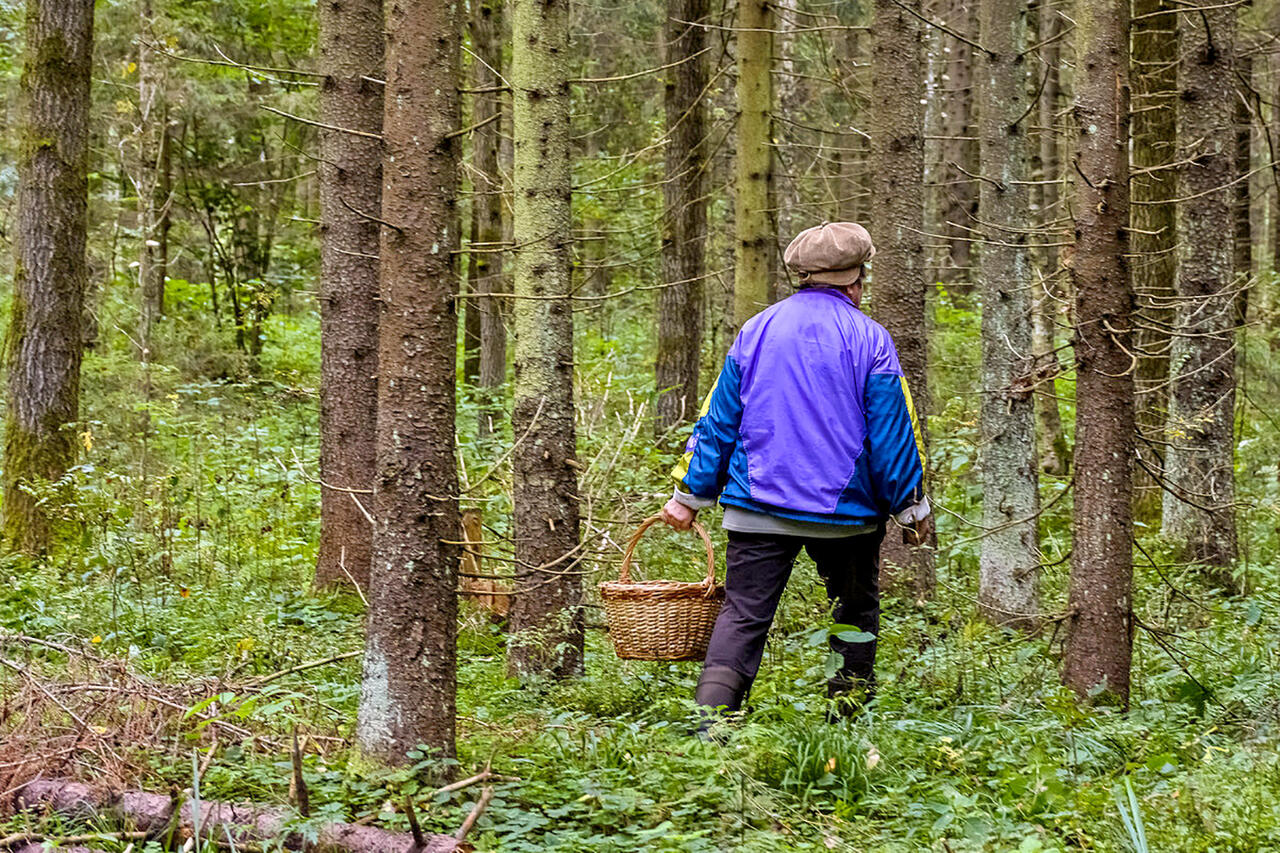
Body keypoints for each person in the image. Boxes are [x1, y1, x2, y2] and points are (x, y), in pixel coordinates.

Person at [661, 221, 933, 729]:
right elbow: (893, 434)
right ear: (857, 277)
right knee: (854, 614)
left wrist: (689, 496)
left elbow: (718, 421)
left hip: (755, 509)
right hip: (846, 517)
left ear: (802, 276)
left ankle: (709, 728)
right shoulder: (871, 339)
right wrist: (911, 506)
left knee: (742, 616)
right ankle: (845, 728)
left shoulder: (756, 330)